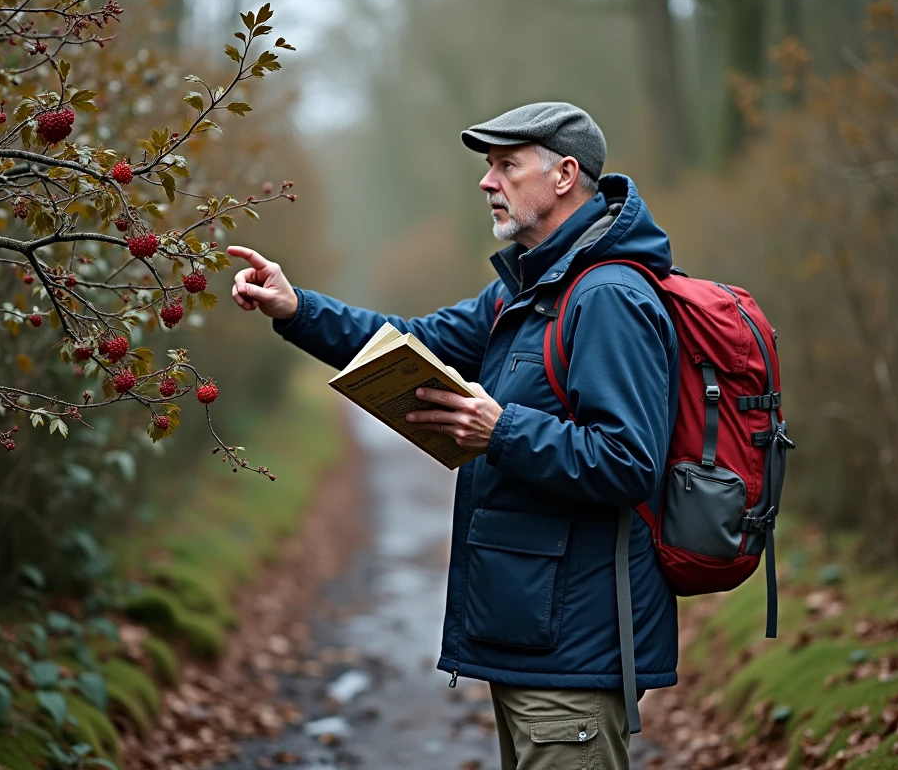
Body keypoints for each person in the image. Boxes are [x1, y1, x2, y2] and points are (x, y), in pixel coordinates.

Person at [227, 102, 678, 770]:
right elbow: (410, 342)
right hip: (529, 637)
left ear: (564, 177)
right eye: (487, 167)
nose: (485, 182)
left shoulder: (608, 295)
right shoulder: (526, 292)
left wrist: (501, 429)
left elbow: (629, 461)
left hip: (575, 653)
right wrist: (298, 310)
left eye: (505, 166)